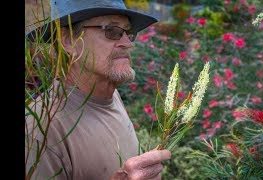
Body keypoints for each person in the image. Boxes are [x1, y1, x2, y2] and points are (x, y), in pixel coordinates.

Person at [25, 0, 171, 179]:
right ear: (68, 40)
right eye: (112, 31)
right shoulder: (42, 132)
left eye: (128, 32)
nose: (128, 43)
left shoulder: (110, 94)